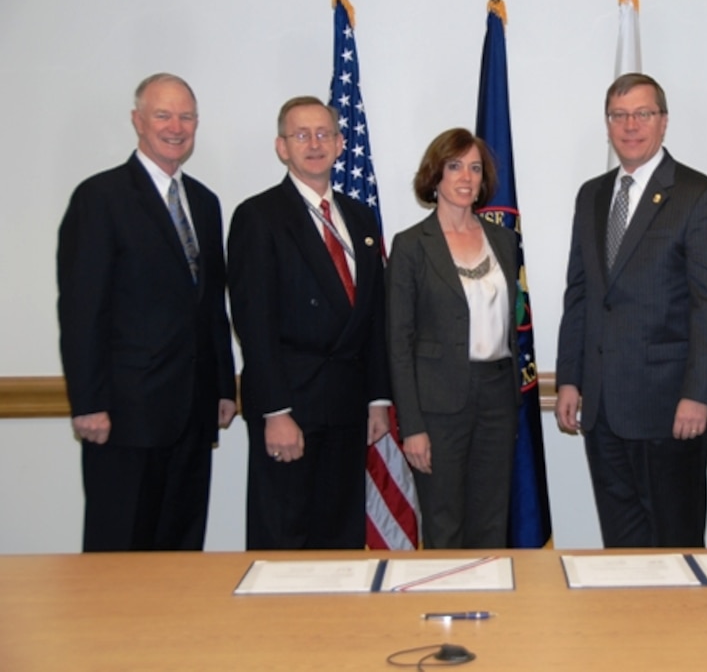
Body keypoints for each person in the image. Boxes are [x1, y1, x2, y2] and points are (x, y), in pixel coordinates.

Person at [57, 72, 237, 552]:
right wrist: (88, 401)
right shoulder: (101, 198)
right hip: (124, 416)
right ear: (138, 121)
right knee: (120, 549)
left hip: (193, 414)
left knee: (181, 549)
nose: (175, 126)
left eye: (186, 116)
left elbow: (210, 305)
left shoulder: (204, 202)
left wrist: (222, 385)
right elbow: (81, 309)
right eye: (163, 115)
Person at [555, 73, 707, 548]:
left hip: (670, 407)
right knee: (622, 546)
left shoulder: (700, 196)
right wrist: (570, 378)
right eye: (619, 115)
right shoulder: (591, 195)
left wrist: (700, 394)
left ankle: (683, 626)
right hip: (602, 409)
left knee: (675, 542)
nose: (630, 125)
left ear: (664, 122)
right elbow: (581, 294)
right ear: (608, 124)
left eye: (643, 114)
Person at [227, 95, 391, 550]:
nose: (314, 144)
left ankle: (335, 625)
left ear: (341, 144)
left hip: (347, 405)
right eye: (301, 135)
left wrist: (378, 398)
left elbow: (373, 316)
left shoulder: (359, 217)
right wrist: (276, 413)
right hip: (291, 408)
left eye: (323, 134)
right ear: (282, 147)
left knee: (339, 538)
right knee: (285, 537)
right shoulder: (258, 217)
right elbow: (254, 325)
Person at [386, 128, 520, 549]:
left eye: (475, 168)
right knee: (444, 523)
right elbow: (398, 341)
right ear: (435, 176)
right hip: (438, 406)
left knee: (492, 520)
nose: (466, 177)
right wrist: (413, 426)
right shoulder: (411, 246)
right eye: (455, 166)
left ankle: (490, 609)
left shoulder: (502, 239)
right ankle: (445, 610)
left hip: (497, 396)